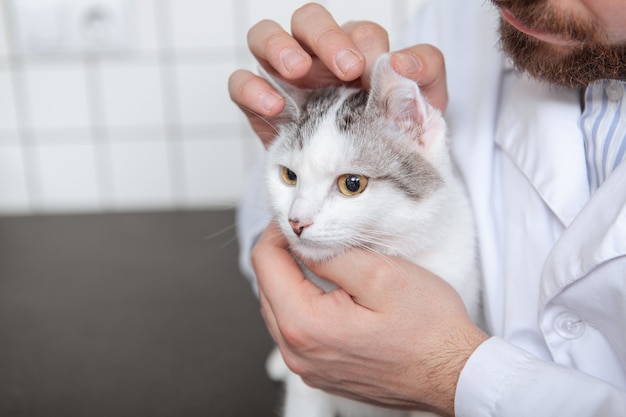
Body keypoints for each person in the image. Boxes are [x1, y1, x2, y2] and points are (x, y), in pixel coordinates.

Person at [229, 1, 626, 416]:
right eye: (291, 180)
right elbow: (292, 179)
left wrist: (454, 375)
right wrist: (292, 306)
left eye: (351, 184)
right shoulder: (468, 15)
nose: (299, 219)